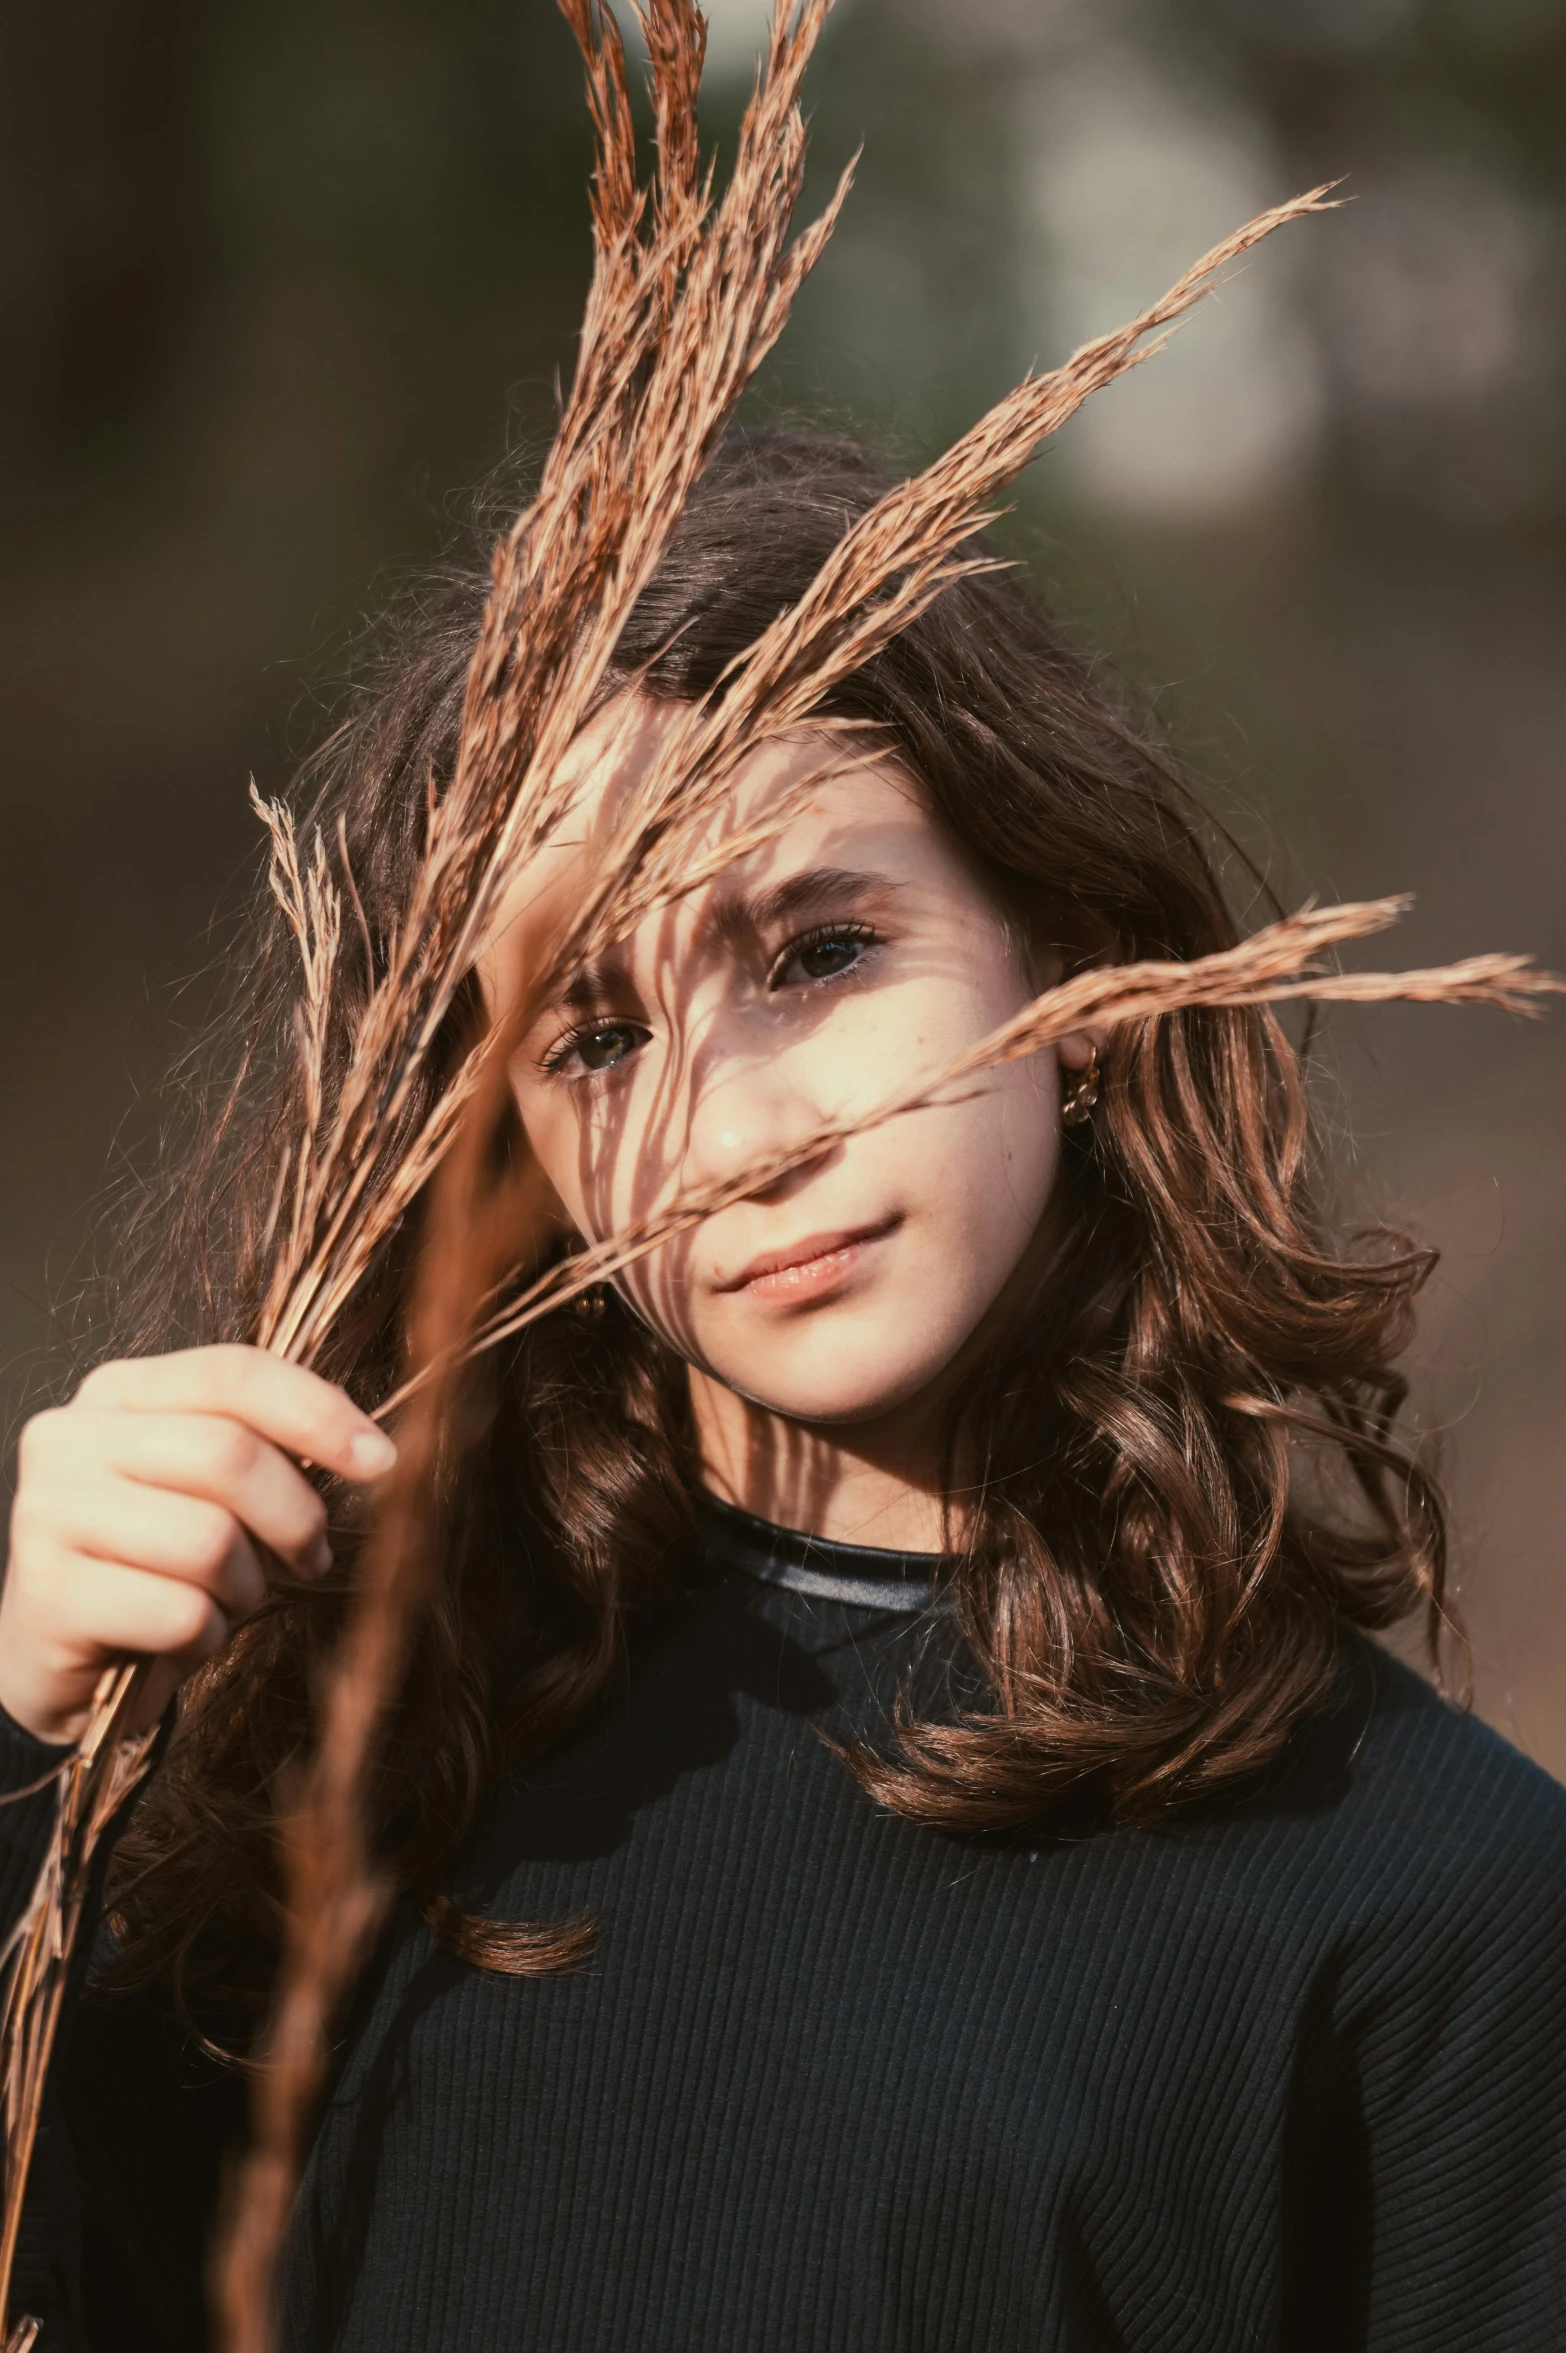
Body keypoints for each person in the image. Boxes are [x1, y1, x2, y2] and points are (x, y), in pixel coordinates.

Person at [2, 432, 1563, 2351]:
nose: (729, 1132)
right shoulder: (334, 1750)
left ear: (1061, 945)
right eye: (594, 1034)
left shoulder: (1434, 1907)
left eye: (819, 952)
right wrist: (40, 1769)